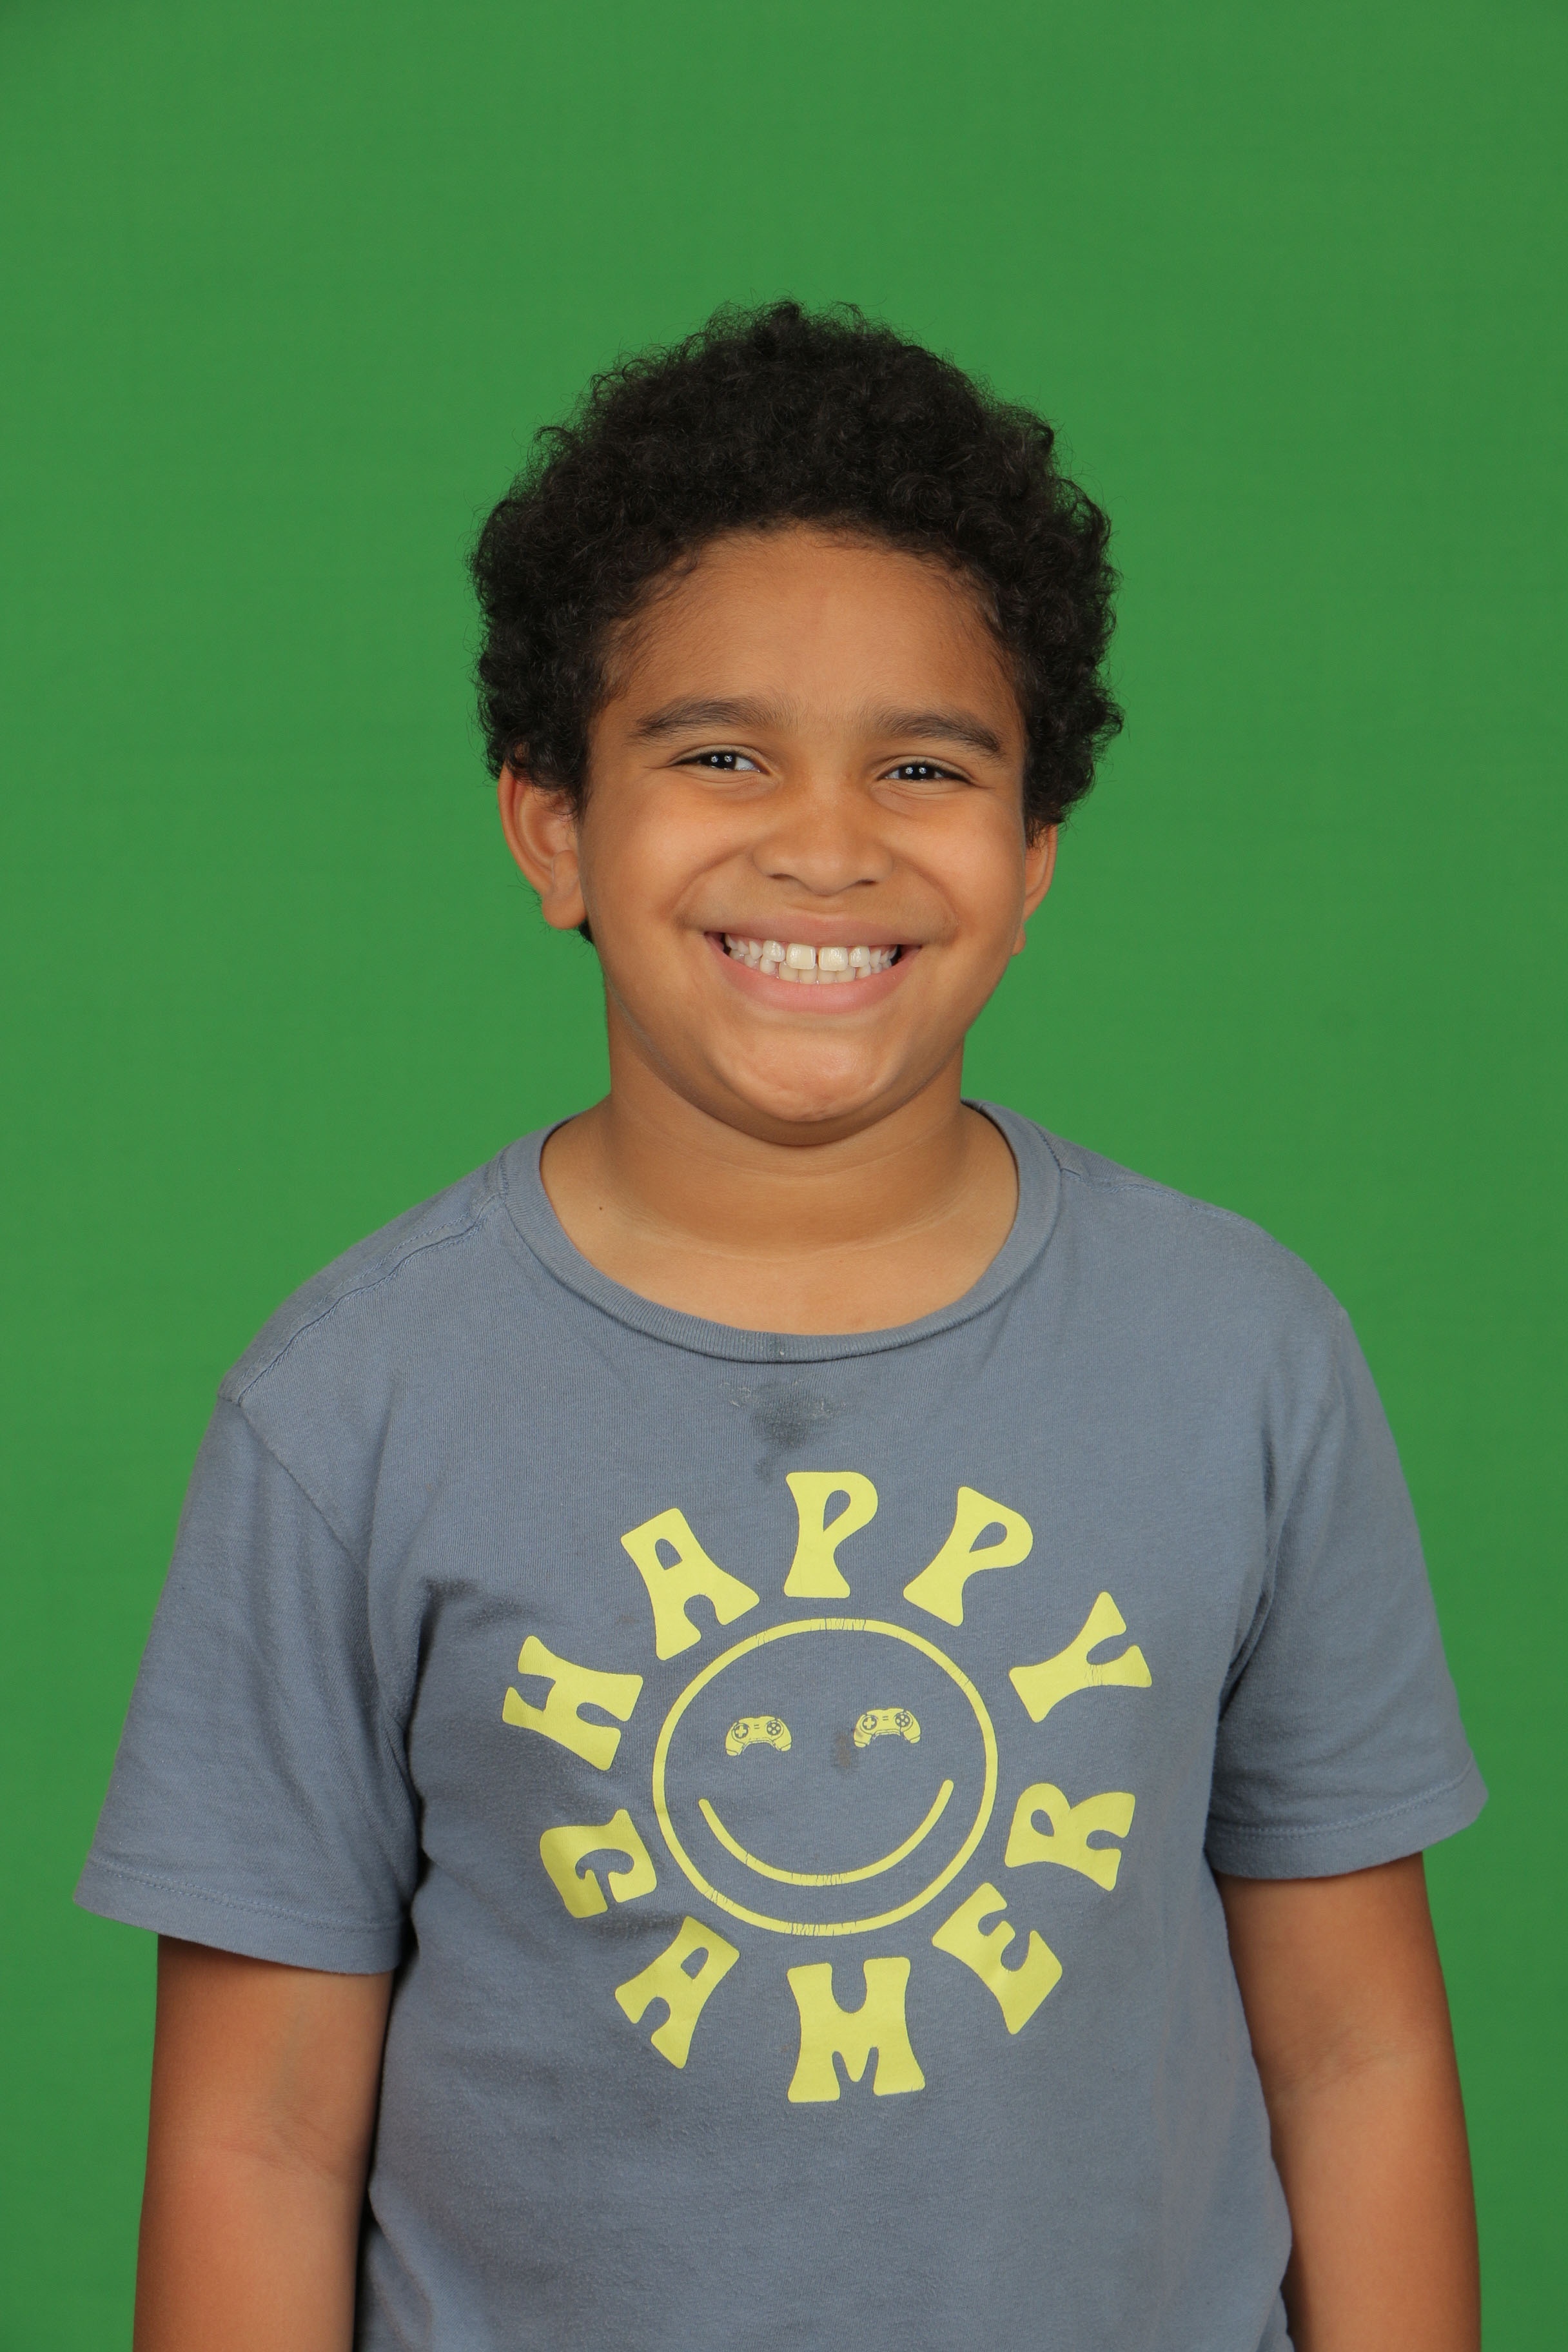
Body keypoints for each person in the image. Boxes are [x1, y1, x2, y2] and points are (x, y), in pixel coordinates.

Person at [79, 302, 1484, 2352]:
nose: (826, 843)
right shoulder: (351, 1412)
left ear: (1033, 853)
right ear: (554, 827)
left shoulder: (1247, 1359)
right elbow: (260, 2136)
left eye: (924, 766)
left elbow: (1357, 2053)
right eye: (720, 753)